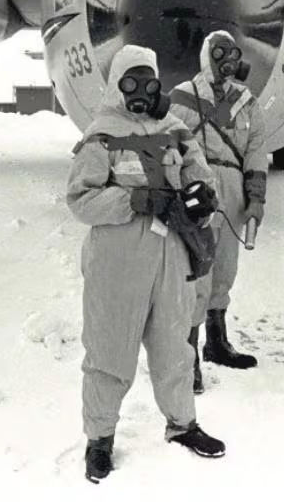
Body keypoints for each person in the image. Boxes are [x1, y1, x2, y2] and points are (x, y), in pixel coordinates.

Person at [66, 44, 226, 483]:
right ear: (116, 85)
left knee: (175, 345)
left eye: (148, 82)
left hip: (171, 255)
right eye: (130, 81)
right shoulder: (101, 134)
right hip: (118, 260)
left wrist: (203, 199)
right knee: (109, 350)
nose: (140, 90)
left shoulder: (176, 130)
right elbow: (80, 200)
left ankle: (182, 424)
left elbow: (202, 178)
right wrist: (133, 200)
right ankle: (100, 439)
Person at [170, 30, 268, 394]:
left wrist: (256, 198)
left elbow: (256, 150)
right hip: (198, 190)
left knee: (225, 268)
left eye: (232, 53)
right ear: (206, 55)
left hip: (233, 189)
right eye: (219, 52)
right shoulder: (182, 97)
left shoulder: (246, 102)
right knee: (197, 272)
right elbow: (169, 146)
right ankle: (189, 356)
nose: (227, 59)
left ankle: (216, 341)